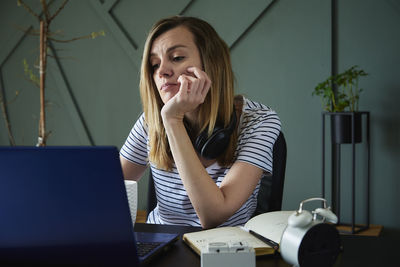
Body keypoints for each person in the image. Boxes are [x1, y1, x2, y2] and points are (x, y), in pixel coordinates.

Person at [120, 16, 281, 229]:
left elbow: (214, 216)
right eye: (154, 64)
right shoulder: (151, 121)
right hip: (160, 243)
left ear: (211, 63)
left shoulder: (259, 121)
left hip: (224, 250)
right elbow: (106, 189)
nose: (162, 71)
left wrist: (173, 120)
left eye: (177, 58)